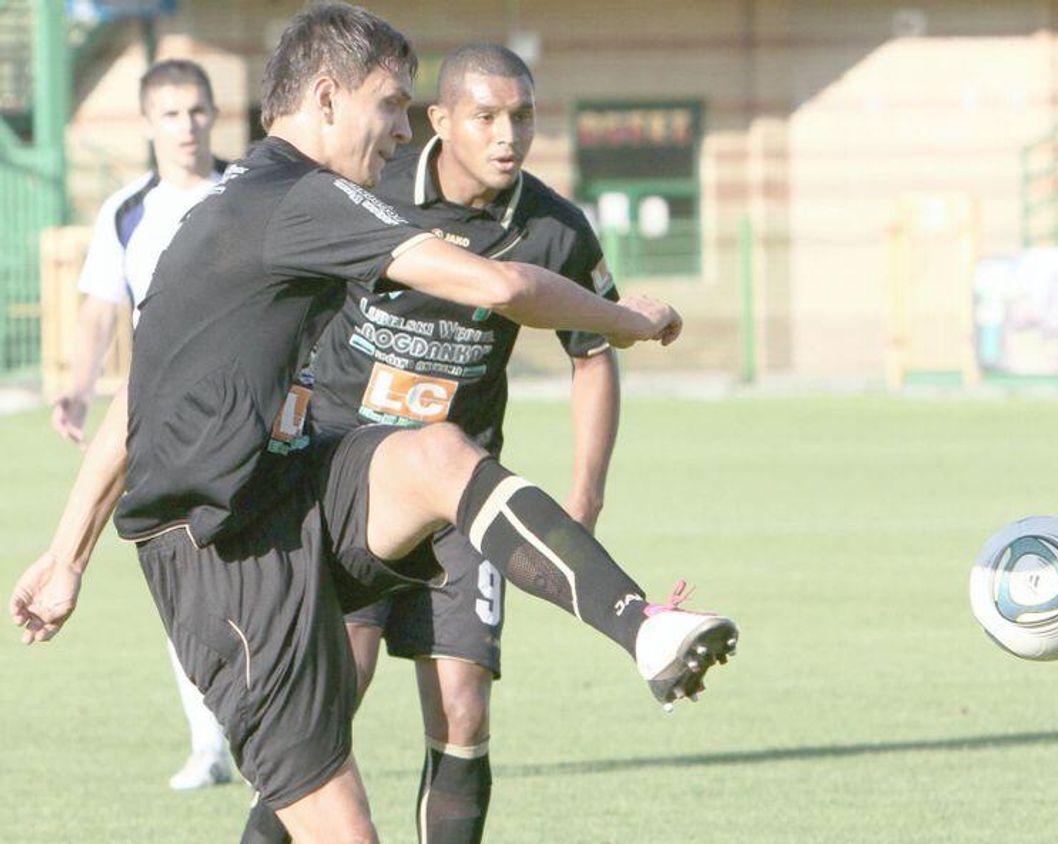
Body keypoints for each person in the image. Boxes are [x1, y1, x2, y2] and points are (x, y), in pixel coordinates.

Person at [10, 6, 737, 843]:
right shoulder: (298, 200)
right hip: (226, 559)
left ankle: (643, 626)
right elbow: (498, 289)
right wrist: (628, 321)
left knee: (437, 454)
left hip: (299, 488)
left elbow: (138, 401)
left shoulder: (249, 203)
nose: (400, 130)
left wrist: (66, 558)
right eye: (390, 105)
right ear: (326, 98)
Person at [246, 42, 625, 844]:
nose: (506, 135)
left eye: (521, 116)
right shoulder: (368, 189)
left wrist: (583, 496)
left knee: (463, 707)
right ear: (440, 120)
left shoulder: (555, 229)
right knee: (330, 703)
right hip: (353, 480)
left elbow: (593, 358)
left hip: (462, 497)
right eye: (485, 116)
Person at [49, 58, 233, 791]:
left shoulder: (246, 192)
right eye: (170, 113)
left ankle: (266, 736)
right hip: (160, 422)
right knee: (183, 583)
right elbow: (102, 304)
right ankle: (208, 745)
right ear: (147, 123)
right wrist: (79, 385)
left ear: (214, 114)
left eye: (196, 111)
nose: (186, 126)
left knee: (262, 577)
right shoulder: (128, 209)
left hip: (250, 416)